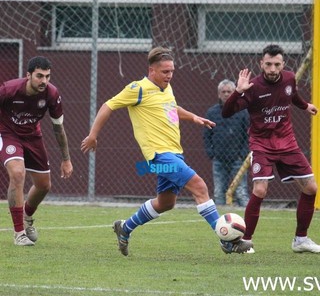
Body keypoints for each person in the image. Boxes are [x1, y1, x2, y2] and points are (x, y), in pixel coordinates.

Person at [81, 46, 253, 256]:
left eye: (171, 71)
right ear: (152, 70)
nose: (169, 75)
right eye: (165, 72)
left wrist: (193, 117)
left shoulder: (166, 88)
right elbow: (108, 106)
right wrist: (93, 135)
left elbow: (171, 108)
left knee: (165, 203)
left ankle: (125, 228)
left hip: (174, 153)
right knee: (199, 186)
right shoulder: (138, 89)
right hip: (159, 156)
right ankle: (228, 242)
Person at [222, 44, 320, 253]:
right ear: (261, 64)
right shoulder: (253, 87)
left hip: (287, 143)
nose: (273, 69)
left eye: (277, 64)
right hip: (262, 145)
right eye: (268, 64)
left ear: (283, 64)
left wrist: (305, 106)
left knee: (311, 188)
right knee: (260, 190)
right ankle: (245, 241)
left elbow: (292, 96)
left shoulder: (289, 78)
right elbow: (226, 112)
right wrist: (238, 91)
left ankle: (300, 240)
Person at [0, 56, 73, 246]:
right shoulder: (9, 90)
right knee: (17, 173)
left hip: (33, 136)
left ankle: (27, 216)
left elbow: (58, 128)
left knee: (44, 185)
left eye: (47, 76)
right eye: (39, 76)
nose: (44, 81)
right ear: (28, 75)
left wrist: (66, 159)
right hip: (7, 133)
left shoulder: (51, 94)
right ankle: (19, 233)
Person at [203, 79, 250, 207]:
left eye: (229, 91)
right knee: (219, 192)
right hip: (219, 159)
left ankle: (247, 217)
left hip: (238, 159)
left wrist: (243, 154)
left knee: (241, 192)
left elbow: (248, 135)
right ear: (219, 94)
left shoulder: (242, 112)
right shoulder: (212, 113)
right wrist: (211, 153)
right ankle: (220, 221)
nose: (226, 94)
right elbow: (207, 135)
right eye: (223, 92)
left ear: (234, 92)